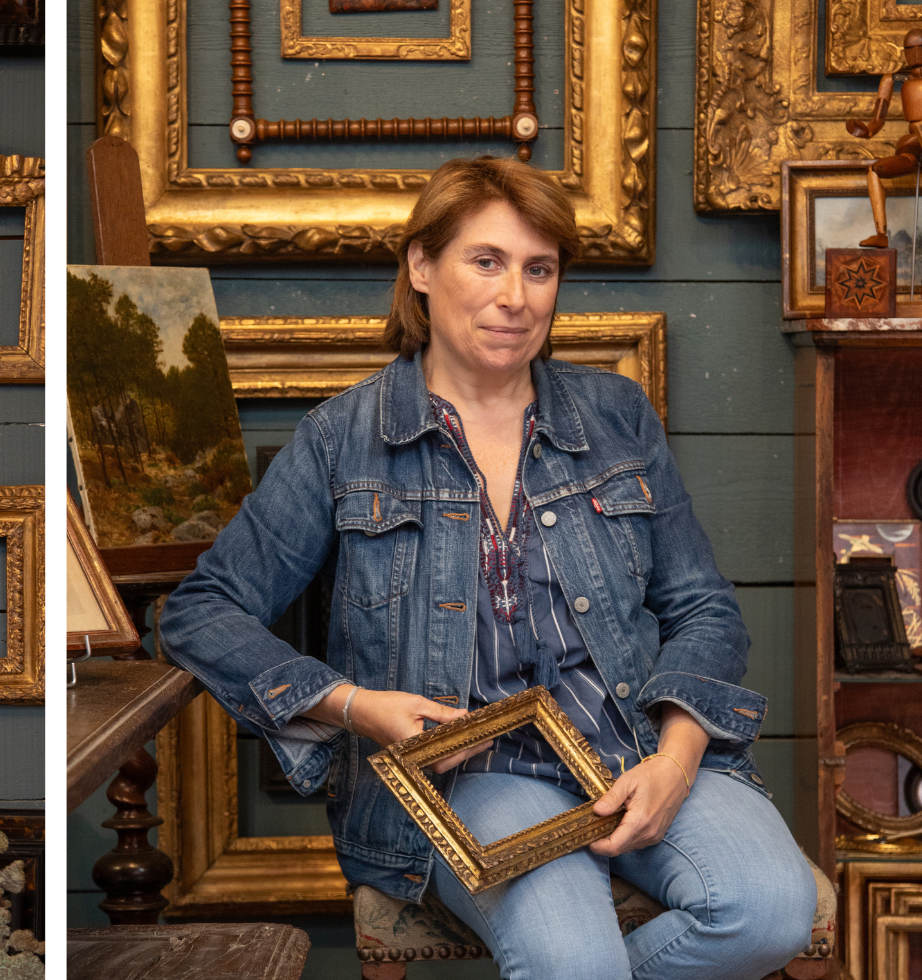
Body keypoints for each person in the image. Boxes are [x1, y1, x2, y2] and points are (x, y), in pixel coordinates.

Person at [157, 156, 817, 980]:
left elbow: (703, 607)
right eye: (487, 261)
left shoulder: (615, 415)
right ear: (422, 267)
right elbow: (200, 610)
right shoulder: (343, 439)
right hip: (473, 776)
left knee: (771, 913)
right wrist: (357, 707)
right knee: (574, 965)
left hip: (633, 741)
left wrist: (677, 761)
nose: (516, 296)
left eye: (539, 269)